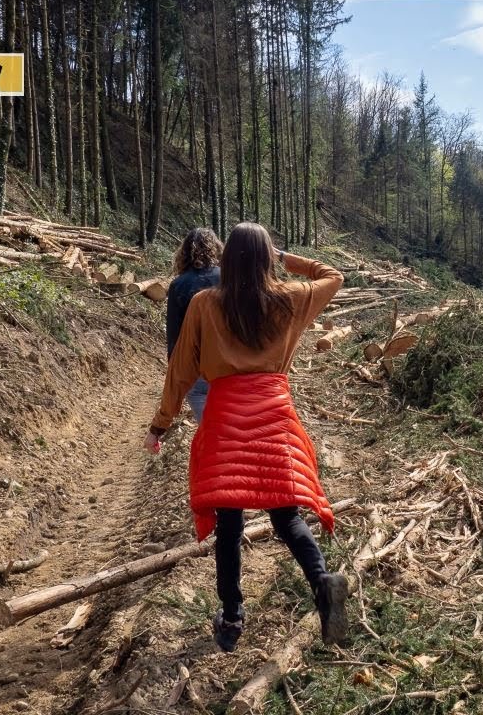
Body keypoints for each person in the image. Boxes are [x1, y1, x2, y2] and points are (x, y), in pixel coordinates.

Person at [145, 222, 348, 653]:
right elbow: (334, 276)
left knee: (230, 523)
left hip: (224, 421)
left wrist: (160, 424)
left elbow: (180, 371)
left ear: (227, 258)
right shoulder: (290, 299)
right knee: (286, 517)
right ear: (264, 257)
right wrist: (286, 258)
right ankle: (323, 582)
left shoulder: (204, 304)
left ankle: (233, 616)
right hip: (274, 416)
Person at [166, 227, 223, 424]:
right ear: (216, 248)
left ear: (184, 252)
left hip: (195, 368)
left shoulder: (178, 285)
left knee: (209, 429)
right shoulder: (228, 279)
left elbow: (174, 335)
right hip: (229, 366)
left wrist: (175, 381)